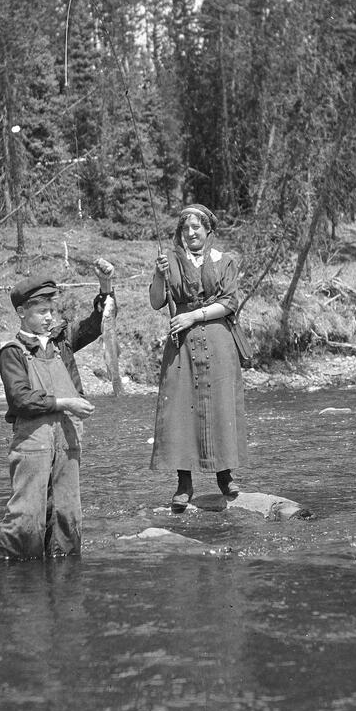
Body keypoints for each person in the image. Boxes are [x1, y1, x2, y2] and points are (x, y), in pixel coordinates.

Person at [0, 260, 115, 561]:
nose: (49, 318)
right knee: (27, 514)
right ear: (22, 312)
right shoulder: (12, 352)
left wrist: (106, 287)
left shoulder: (64, 341)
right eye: (41, 312)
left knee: (67, 511)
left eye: (52, 310)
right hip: (32, 442)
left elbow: (100, 321)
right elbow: (20, 399)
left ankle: (65, 571)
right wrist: (64, 403)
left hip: (68, 439)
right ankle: (15, 571)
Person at [149, 204, 248, 512]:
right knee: (180, 408)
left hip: (218, 342)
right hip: (182, 346)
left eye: (196, 227)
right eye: (185, 228)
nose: (191, 233)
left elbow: (229, 303)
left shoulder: (224, 261)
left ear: (208, 232)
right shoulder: (171, 262)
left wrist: (192, 316)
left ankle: (225, 476)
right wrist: (158, 274)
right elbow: (156, 302)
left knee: (221, 405)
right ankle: (183, 483)